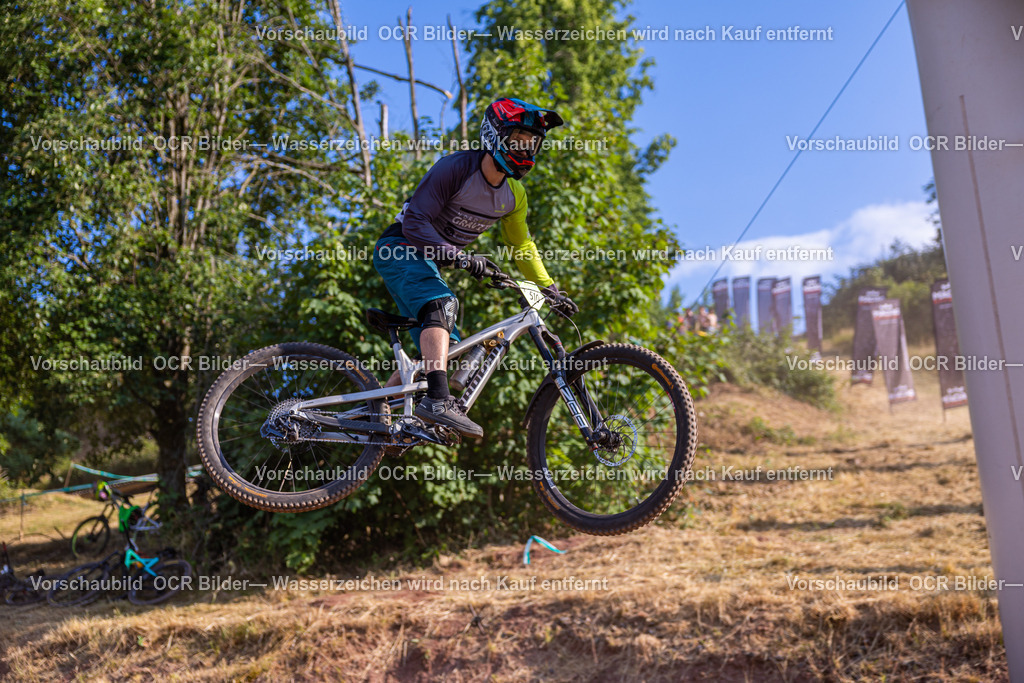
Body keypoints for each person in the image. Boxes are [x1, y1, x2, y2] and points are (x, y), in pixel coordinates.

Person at [372, 98, 578, 438]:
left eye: (532, 143)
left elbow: (521, 246)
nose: (526, 150)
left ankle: (380, 419)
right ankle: (439, 402)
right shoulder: (456, 168)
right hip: (399, 248)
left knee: (443, 350)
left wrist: (549, 288)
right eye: (518, 141)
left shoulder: (514, 195)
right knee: (443, 304)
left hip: (427, 262)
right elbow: (415, 222)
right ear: (495, 135)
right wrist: (462, 257)